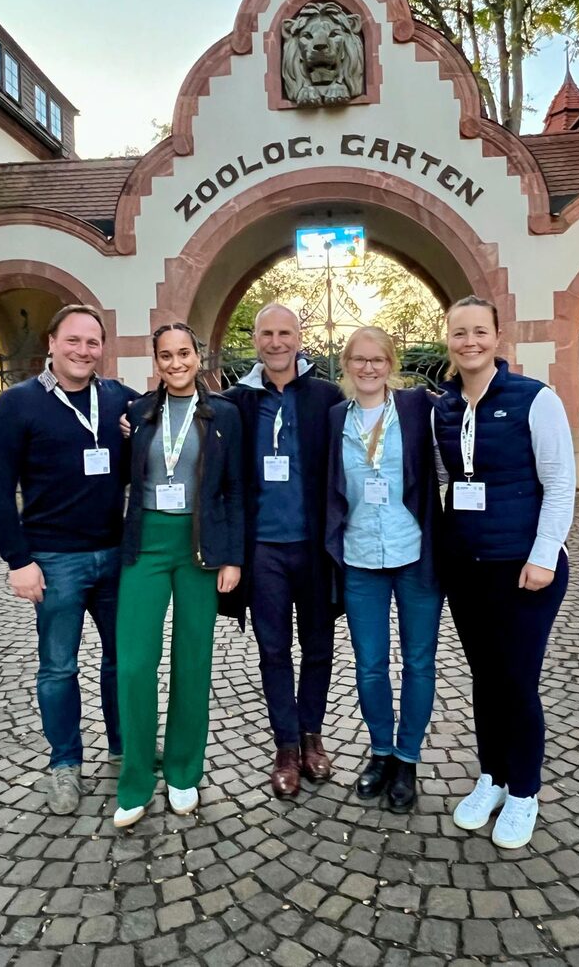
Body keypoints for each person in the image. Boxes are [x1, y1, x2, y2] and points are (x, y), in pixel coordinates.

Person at [0, 304, 137, 815]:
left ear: (102, 349)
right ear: (52, 342)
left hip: (115, 556)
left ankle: (124, 748)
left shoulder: (117, 398)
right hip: (53, 560)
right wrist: (17, 560)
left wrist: (140, 433)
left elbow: (169, 424)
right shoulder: (16, 405)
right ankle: (65, 764)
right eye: (73, 340)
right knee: (57, 667)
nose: (83, 350)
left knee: (122, 661)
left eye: (93, 343)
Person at [432, 295, 575, 849]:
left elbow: (560, 483)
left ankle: (524, 791)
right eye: (459, 333)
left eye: (479, 332)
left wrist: (543, 555)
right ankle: (491, 777)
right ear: (449, 339)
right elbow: (446, 474)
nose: (469, 342)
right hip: (468, 567)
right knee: (486, 679)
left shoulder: (533, 399)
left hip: (523, 568)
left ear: (498, 336)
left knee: (517, 681)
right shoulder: (444, 407)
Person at [113, 322, 243, 828]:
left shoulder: (224, 414)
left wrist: (232, 557)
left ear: (197, 356)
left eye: (183, 353)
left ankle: (185, 771)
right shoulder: (139, 412)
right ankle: (137, 780)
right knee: (135, 664)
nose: (175, 363)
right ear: (156, 361)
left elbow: (233, 488)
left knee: (194, 660)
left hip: (200, 550)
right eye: (165, 356)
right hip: (146, 545)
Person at [225, 304, 345, 798]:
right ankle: (286, 747)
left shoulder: (326, 397)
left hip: (315, 547)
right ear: (256, 340)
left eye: (285, 333)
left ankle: (313, 737)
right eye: (267, 334)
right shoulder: (237, 401)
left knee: (318, 648)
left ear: (300, 338)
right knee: (273, 650)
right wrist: (130, 423)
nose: (276, 342)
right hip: (263, 550)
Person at [326, 327, 444, 813]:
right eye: (359, 360)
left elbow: (463, 427)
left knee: (418, 663)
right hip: (359, 558)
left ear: (390, 362)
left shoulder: (418, 408)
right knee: (370, 664)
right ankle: (379, 752)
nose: (368, 368)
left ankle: (408, 758)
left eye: (377, 360)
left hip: (415, 553)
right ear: (346, 364)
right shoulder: (336, 418)